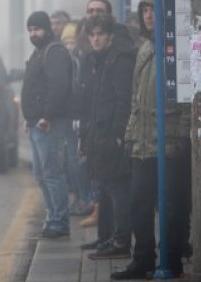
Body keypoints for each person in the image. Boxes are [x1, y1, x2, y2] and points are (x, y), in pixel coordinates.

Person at [112, 0, 192, 280]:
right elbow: (136, 100)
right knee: (138, 204)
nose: (148, 15)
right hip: (143, 144)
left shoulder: (178, 48)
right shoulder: (144, 49)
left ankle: (171, 261)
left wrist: (183, 136)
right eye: (144, 9)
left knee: (172, 206)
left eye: (153, 9)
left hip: (170, 143)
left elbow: (188, 97)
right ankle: (143, 259)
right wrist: (131, 135)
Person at [78, 15, 135, 259]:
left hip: (112, 137)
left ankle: (121, 242)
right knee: (106, 187)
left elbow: (123, 101)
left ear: (110, 36)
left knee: (117, 189)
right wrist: (86, 139)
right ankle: (110, 238)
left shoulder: (119, 60)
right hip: (98, 136)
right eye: (92, 35)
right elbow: (91, 104)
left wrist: (117, 136)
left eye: (100, 34)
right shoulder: (96, 60)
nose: (95, 39)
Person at [21, 10, 73, 238]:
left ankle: (59, 222)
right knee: (41, 175)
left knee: (52, 174)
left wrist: (46, 116)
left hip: (48, 124)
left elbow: (58, 86)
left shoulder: (54, 52)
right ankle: (52, 218)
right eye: (30, 30)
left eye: (37, 29)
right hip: (36, 124)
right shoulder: (39, 52)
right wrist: (29, 118)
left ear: (47, 29)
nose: (33, 33)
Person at [61, 22, 94, 218]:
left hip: (77, 117)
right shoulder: (72, 60)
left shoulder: (77, 61)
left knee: (77, 160)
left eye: (72, 41)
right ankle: (83, 198)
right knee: (73, 160)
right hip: (73, 116)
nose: (70, 45)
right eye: (66, 42)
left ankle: (86, 198)